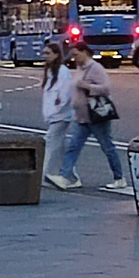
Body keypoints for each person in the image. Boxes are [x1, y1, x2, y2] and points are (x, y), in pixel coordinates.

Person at [47, 43, 127, 191]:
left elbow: (106, 88)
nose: (74, 58)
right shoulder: (80, 68)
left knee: (107, 147)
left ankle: (119, 178)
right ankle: (65, 177)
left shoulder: (95, 68)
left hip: (96, 116)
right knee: (73, 146)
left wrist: (87, 86)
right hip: (82, 117)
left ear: (85, 52)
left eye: (76, 54)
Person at [40, 42, 72, 180]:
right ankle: (71, 176)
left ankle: (40, 175)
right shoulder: (49, 71)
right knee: (62, 148)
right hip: (55, 115)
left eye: (48, 53)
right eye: (44, 53)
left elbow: (64, 94)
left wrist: (56, 110)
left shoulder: (63, 71)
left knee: (49, 142)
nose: (45, 56)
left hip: (61, 115)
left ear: (57, 54)